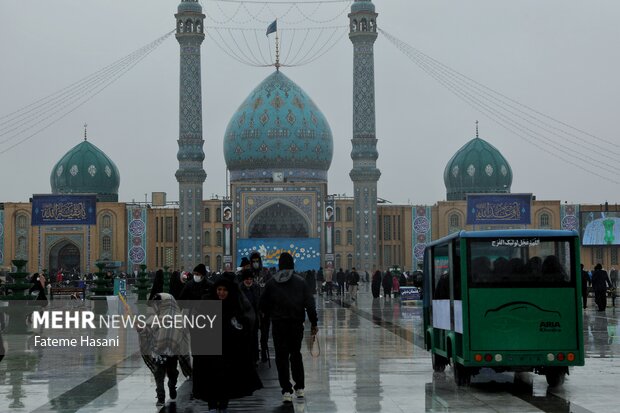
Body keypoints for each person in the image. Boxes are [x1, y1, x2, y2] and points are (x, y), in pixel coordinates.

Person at [259, 252, 318, 403]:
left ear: (279, 265)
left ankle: (286, 389)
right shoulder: (301, 282)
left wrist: (269, 314)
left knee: (281, 357)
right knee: (295, 355)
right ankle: (299, 388)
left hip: (279, 325)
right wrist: (314, 322)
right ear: (292, 265)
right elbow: (310, 304)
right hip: (296, 324)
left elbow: (263, 305)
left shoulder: (271, 283)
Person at [203, 276, 263, 411]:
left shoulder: (234, 306)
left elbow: (242, 326)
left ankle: (222, 405)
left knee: (225, 381)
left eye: (225, 290)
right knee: (213, 381)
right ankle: (212, 406)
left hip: (228, 352)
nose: (221, 293)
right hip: (211, 353)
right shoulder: (207, 304)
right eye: (219, 289)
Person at [138, 293, 189, 406]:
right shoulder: (155, 318)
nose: (157, 306)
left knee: (172, 373)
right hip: (159, 352)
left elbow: (183, 336)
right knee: (159, 374)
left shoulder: (178, 319)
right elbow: (147, 330)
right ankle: (161, 397)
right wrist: (141, 329)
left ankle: (172, 386)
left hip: (172, 353)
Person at [239, 269, 261, 364]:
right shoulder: (239, 288)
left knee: (254, 339)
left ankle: (255, 358)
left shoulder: (256, 287)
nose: (249, 281)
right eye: (247, 279)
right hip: (244, 318)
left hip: (255, 318)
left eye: (250, 279)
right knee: (244, 339)